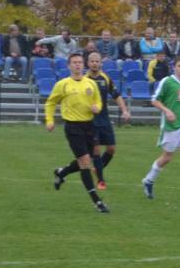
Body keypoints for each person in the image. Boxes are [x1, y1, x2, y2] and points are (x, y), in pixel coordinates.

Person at [45, 53, 109, 213]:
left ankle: (61, 172)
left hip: (89, 126)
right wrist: (49, 120)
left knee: (86, 160)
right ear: (69, 66)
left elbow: (98, 100)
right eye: (74, 62)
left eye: (80, 62)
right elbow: (51, 102)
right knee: (85, 162)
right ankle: (97, 201)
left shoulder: (90, 83)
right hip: (73, 127)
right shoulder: (63, 84)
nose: (77, 65)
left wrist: (97, 107)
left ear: (83, 65)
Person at [142, 57, 180, 201]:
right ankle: (148, 180)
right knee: (167, 158)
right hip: (171, 126)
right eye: (179, 66)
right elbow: (154, 100)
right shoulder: (167, 81)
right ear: (174, 67)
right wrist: (166, 111)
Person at [86, 51, 130, 190]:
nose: (95, 63)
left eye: (97, 61)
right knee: (96, 150)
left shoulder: (105, 78)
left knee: (111, 149)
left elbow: (116, 95)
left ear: (101, 63)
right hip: (90, 120)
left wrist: (124, 110)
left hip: (104, 119)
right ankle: (101, 180)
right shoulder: (84, 80)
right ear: (88, 63)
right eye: (92, 61)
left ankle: (97, 169)